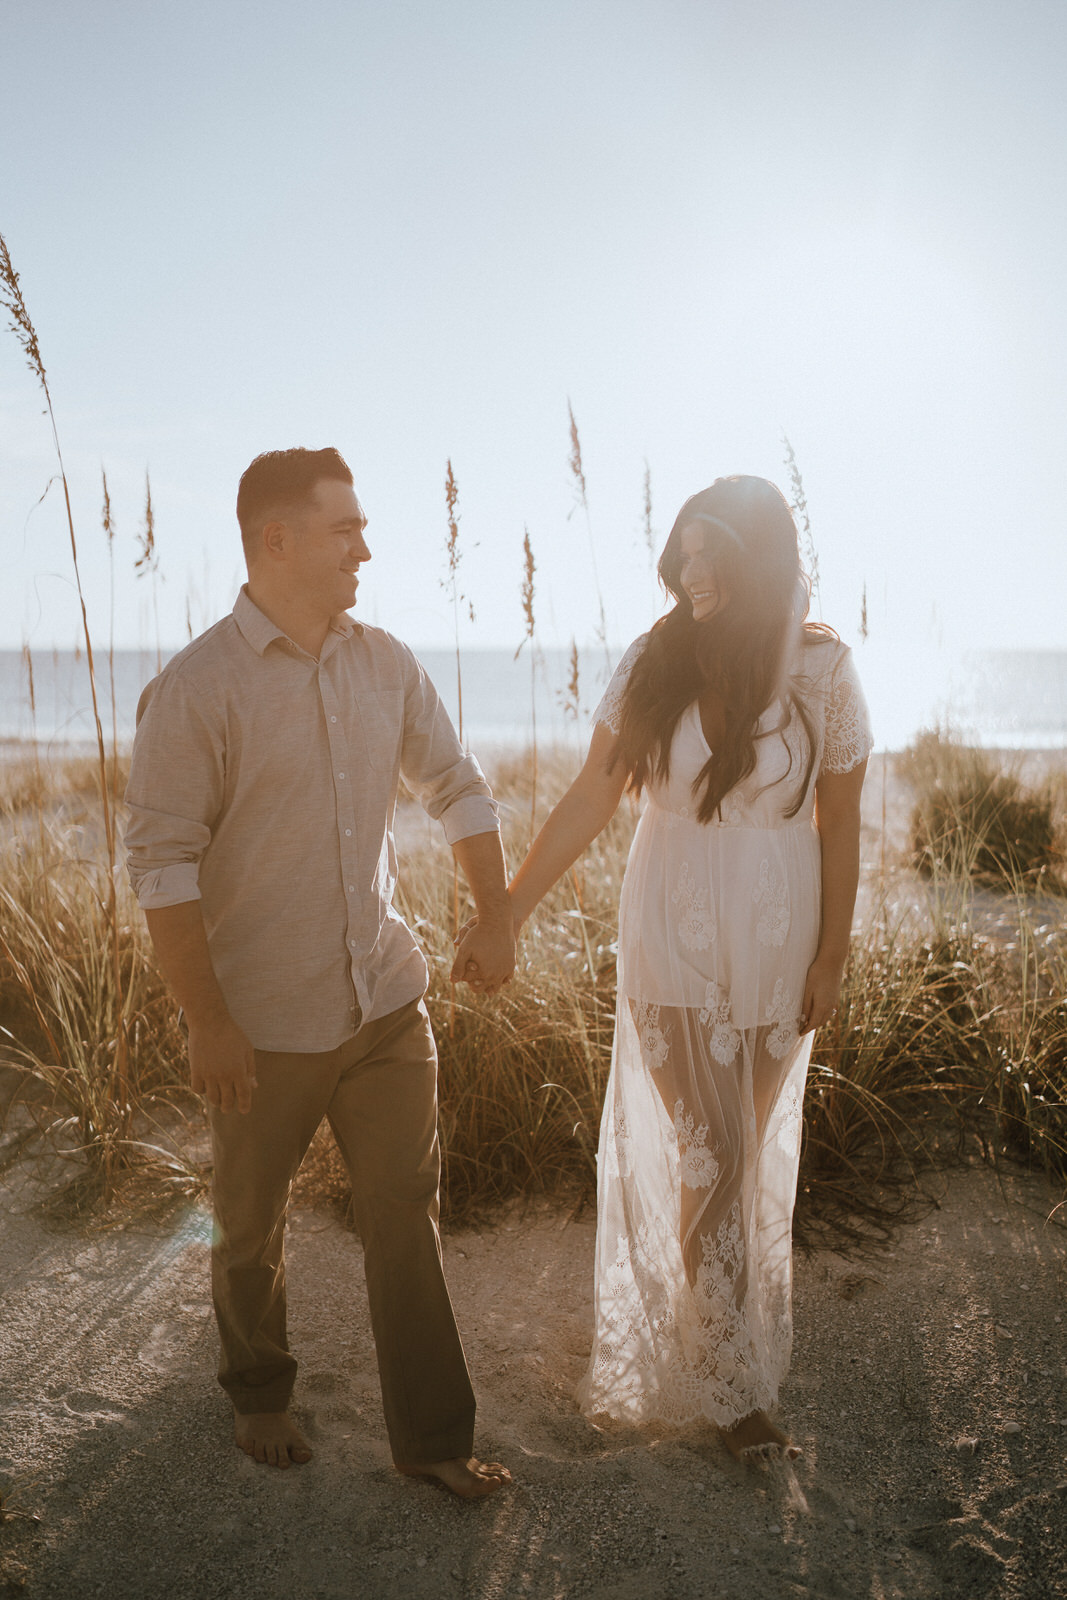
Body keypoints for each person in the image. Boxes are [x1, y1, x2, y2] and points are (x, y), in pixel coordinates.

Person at [125, 447, 515, 1496]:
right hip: (262, 1021)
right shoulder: (195, 688)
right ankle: (258, 1391)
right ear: (275, 541)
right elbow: (160, 863)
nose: (365, 548)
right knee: (249, 1219)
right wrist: (206, 1017)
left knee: (405, 1205)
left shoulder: (384, 661)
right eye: (344, 528)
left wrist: (494, 910)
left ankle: (430, 1436)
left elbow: (457, 785)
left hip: (386, 1002)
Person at [460, 474, 872, 1460]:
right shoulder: (656, 661)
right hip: (670, 935)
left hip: (777, 942)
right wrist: (507, 911)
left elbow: (842, 825)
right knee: (712, 1151)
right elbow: (591, 797)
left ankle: (703, 1340)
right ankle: (732, 1392)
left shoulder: (819, 669)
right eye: (680, 553)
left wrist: (830, 955)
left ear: (757, 558)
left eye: (709, 553)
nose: (689, 571)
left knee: (733, 1158)